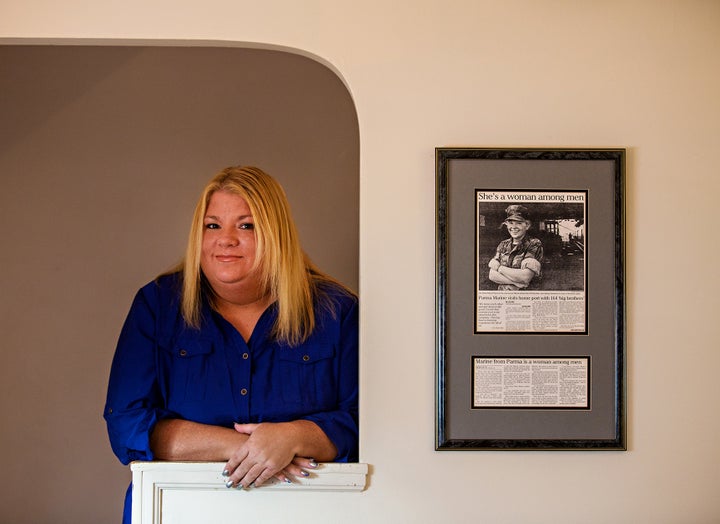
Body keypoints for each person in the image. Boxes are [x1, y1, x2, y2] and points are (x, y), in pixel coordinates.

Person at [104, 166, 358, 523]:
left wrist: (294, 436)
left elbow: (369, 422)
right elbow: (127, 424)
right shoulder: (158, 306)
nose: (226, 239)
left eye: (246, 225)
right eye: (213, 225)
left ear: (276, 234)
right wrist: (250, 448)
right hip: (178, 510)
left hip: (306, 510)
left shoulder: (337, 311)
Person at [488, 204, 543, 290]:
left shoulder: (534, 243)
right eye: (510, 223)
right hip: (502, 295)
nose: (513, 227)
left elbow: (525, 277)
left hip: (525, 296)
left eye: (519, 223)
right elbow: (492, 275)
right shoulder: (503, 244)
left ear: (527, 225)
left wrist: (499, 268)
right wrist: (515, 282)